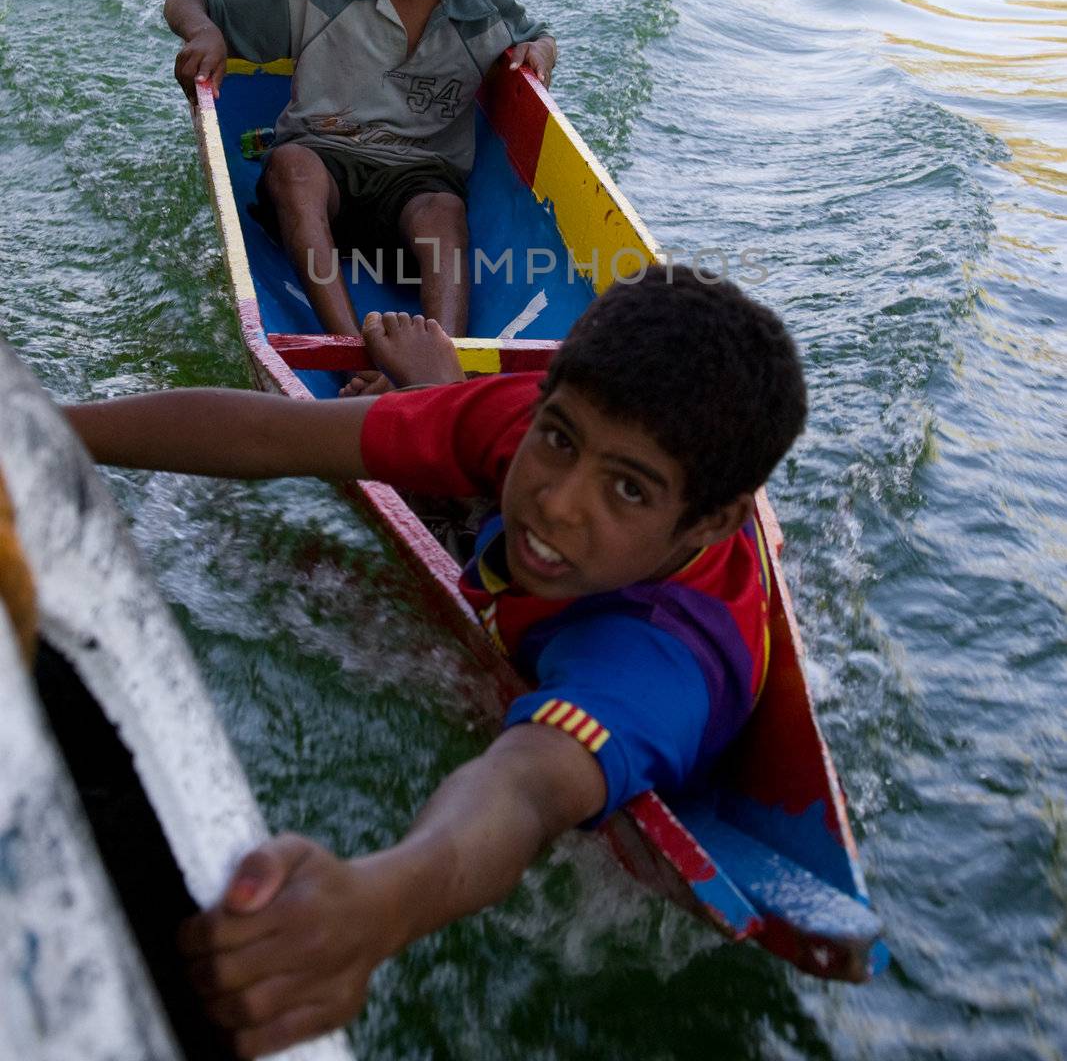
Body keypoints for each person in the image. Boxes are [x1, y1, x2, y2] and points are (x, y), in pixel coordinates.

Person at [65, 268, 807, 1058]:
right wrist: (42, 427)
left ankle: (434, 395)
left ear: (715, 520)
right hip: (519, 543)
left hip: (583, 625)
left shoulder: (662, 664)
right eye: (559, 437)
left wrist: (377, 902)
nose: (559, 499)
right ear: (546, 402)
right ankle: (435, 393)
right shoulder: (530, 426)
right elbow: (271, 434)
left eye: (628, 488)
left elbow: (520, 789)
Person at [164, 0, 557, 394]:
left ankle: (434, 378)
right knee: (291, 168)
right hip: (323, 165)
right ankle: (356, 360)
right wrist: (205, 33)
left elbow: (540, 35)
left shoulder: (482, 2)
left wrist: (537, 50)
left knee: (444, 215)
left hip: (418, 178)